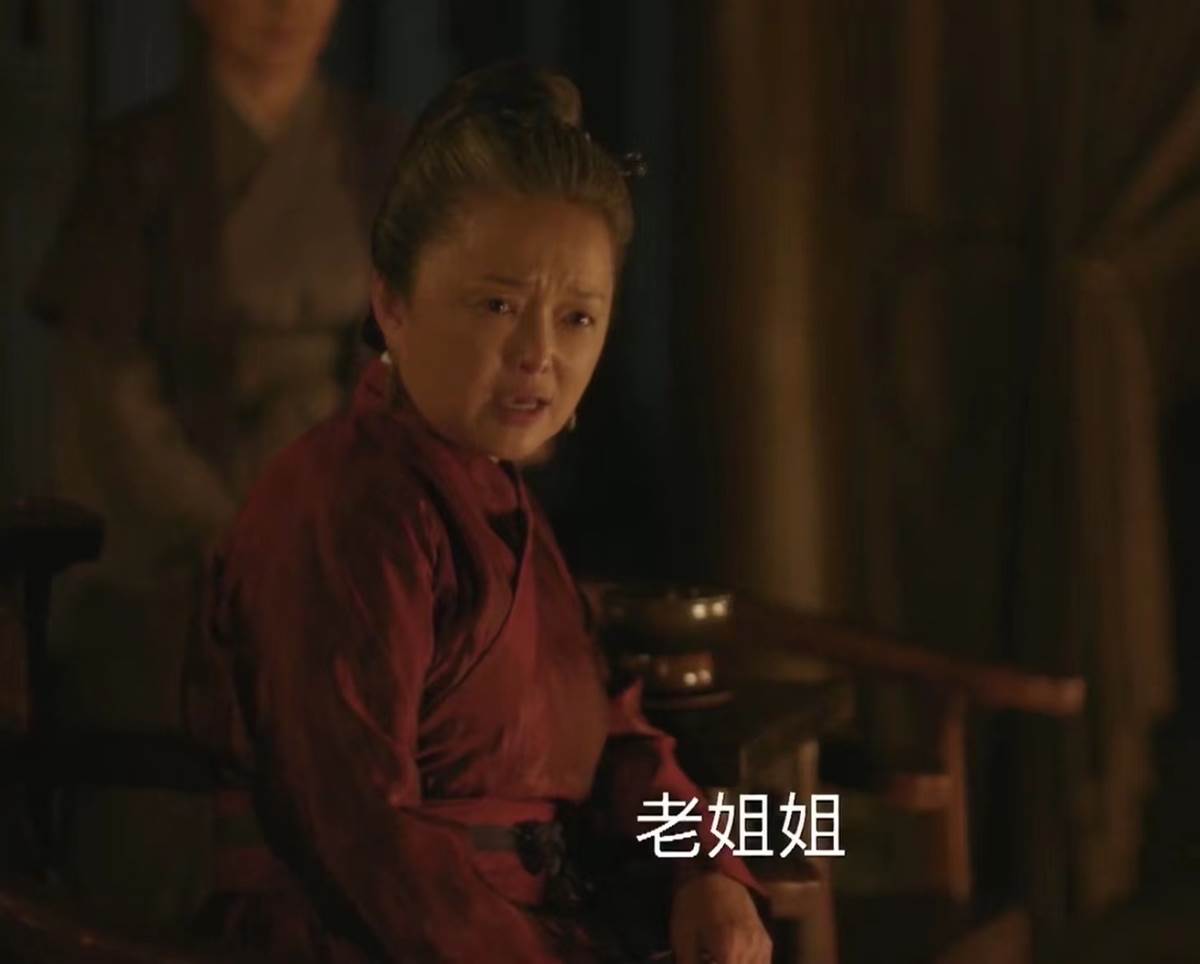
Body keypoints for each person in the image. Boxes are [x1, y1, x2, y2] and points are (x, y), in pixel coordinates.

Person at [191, 63, 774, 962]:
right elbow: (361, 838)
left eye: (577, 318)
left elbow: (609, 743)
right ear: (391, 302)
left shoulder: (497, 498)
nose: (539, 353)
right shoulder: (342, 504)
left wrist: (707, 868)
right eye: (498, 304)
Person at [27, 0, 403, 926]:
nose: (283, 11)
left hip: (348, 532)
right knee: (165, 824)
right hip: (181, 549)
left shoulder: (382, 152)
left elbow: (418, 361)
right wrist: (235, 535)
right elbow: (109, 397)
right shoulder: (136, 160)